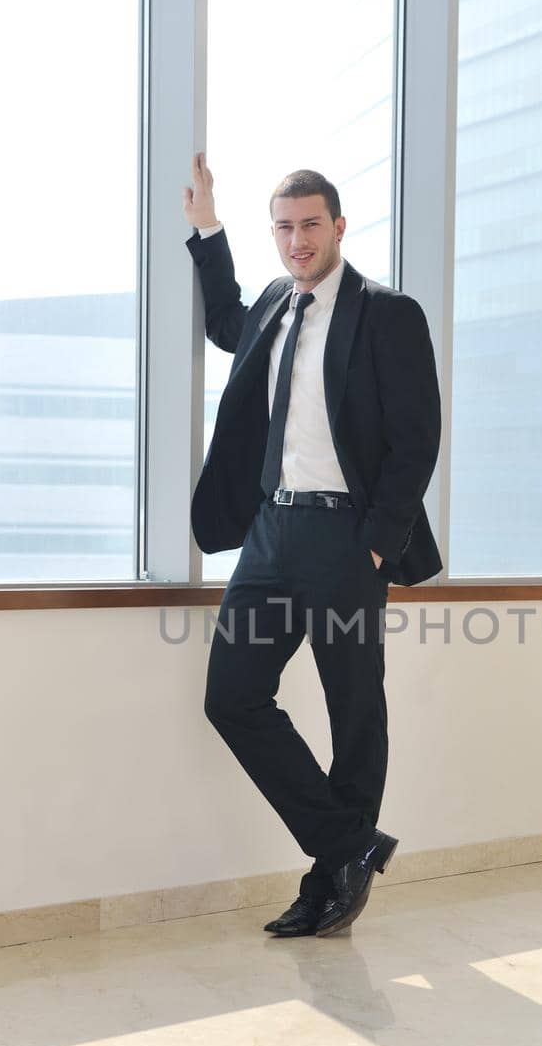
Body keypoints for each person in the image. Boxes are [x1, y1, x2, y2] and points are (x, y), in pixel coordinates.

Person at [181, 156, 442, 937]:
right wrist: (206, 229)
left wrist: (373, 546)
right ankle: (349, 847)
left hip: (343, 536)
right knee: (231, 696)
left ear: (338, 226)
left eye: (310, 225)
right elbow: (224, 321)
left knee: (353, 707)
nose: (297, 241)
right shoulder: (270, 305)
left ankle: (331, 880)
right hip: (269, 534)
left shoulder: (386, 312)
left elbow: (415, 438)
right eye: (285, 228)